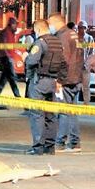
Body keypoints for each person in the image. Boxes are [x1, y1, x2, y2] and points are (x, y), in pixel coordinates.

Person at [25, 20, 64, 155]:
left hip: (39, 82)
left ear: (38, 30)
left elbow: (32, 61)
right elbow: (64, 64)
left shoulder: (40, 43)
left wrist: (26, 57)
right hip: (53, 82)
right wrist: (59, 80)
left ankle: (38, 147)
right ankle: (50, 147)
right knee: (51, 115)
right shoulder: (58, 42)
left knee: (37, 115)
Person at [50, 13, 83, 151]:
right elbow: (80, 56)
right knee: (72, 111)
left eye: (50, 23)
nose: (49, 26)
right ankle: (75, 142)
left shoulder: (62, 37)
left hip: (66, 79)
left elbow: (63, 59)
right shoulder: (73, 34)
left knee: (63, 111)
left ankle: (60, 142)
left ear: (57, 22)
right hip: (76, 77)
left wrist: (59, 80)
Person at [0, 17, 21, 98]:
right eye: (15, 24)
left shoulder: (12, 33)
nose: (16, 26)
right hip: (5, 58)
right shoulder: (5, 33)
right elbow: (4, 46)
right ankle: (17, 95)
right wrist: (8, 56)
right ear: (11, 24)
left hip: (9, 57)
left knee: (6, 76)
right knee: (11, 76)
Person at [76, 20, 95, 104]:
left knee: (86, 86)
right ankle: (74, 102)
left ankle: (86, 102)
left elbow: (91, 52)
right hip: (76, 67)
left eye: (84, 28)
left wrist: (88, 64)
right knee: (75, 86)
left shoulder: (89, 38)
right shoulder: (74, 38)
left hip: (85, 67)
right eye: (80, 28)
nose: (82, 30)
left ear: (86, 29)